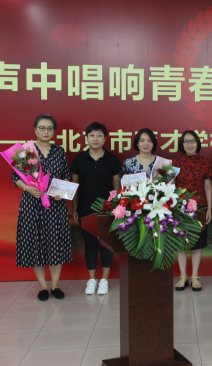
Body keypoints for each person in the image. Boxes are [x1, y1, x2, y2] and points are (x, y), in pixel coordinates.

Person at [12, 114, 71, 301]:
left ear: (54, 131)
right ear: (35, 129)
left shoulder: (59, 152)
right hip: (32, 204)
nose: (46, 132)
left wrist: (61, 190)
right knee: (36, 243)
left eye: (50, 128)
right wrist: (28, 188)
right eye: (42, 128)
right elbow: (15, 178)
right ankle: (42, 286)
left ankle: (55, 285)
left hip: (56, 205)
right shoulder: (25, 151)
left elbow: (66, 176)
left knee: (56, 243)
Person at [70, 122, 122, 295]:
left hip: (107, 210)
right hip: (85, 209)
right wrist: (75, 208)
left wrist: (116, 209)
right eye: (91, 135)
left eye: (99, 135)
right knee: (90, 245)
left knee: (106, 245)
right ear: (86, 138)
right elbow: (75, 186)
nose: (95, 139)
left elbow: (117, 187)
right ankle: (92, 280)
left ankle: (104, 280)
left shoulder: (112, 159)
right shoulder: (79, 159)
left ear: (105, 138)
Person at [173, 130, 212, 292]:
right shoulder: (175, 162)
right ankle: (183, 276)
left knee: (198, 243)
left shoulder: (204, 162)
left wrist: (209, 208)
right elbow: (172, 186)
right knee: (180, 243)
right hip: (180, 208)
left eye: (193, 141)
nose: (189, 144)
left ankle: (195, 276)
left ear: (198, 143)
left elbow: (208, 186)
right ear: (182, 144)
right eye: (186, 141)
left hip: (200, 207)